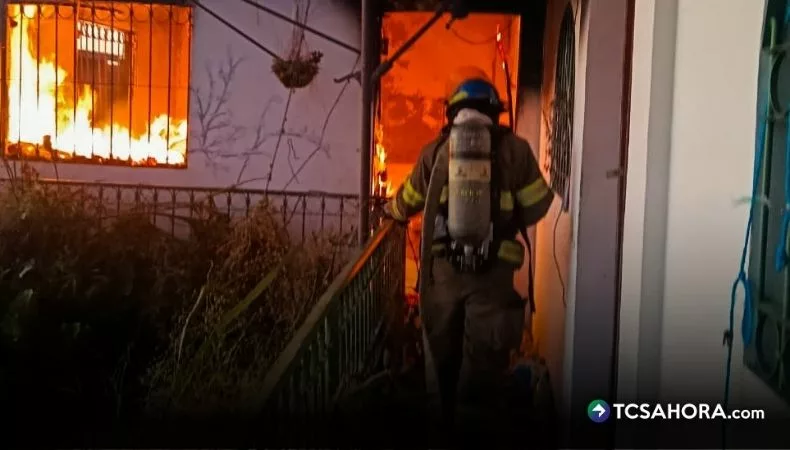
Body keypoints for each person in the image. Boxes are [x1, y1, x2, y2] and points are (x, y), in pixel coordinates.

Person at [383, 66, 554, 440]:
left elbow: (408, 201)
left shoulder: (436, 152)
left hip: (443, 275)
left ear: (452, 112)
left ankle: (438, 429)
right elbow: (540, 206)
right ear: (495, 112)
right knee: (481, 369)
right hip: (494, 278)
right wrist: (505, 225)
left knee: (440, 358)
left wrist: (390, 212)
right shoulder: (517, 151)